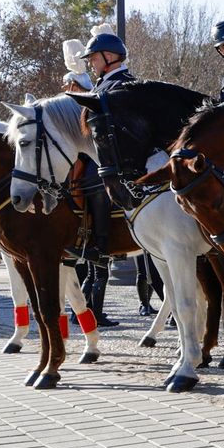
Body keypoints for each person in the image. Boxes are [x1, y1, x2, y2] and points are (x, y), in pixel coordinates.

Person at [72, 27, 135, 325]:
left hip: (121, 165)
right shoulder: (102, 85)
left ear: (110, 57)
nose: (91, 64)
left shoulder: (124, 85)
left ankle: (101, 240)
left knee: (96, 186)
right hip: (99, 160)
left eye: (94, 58)